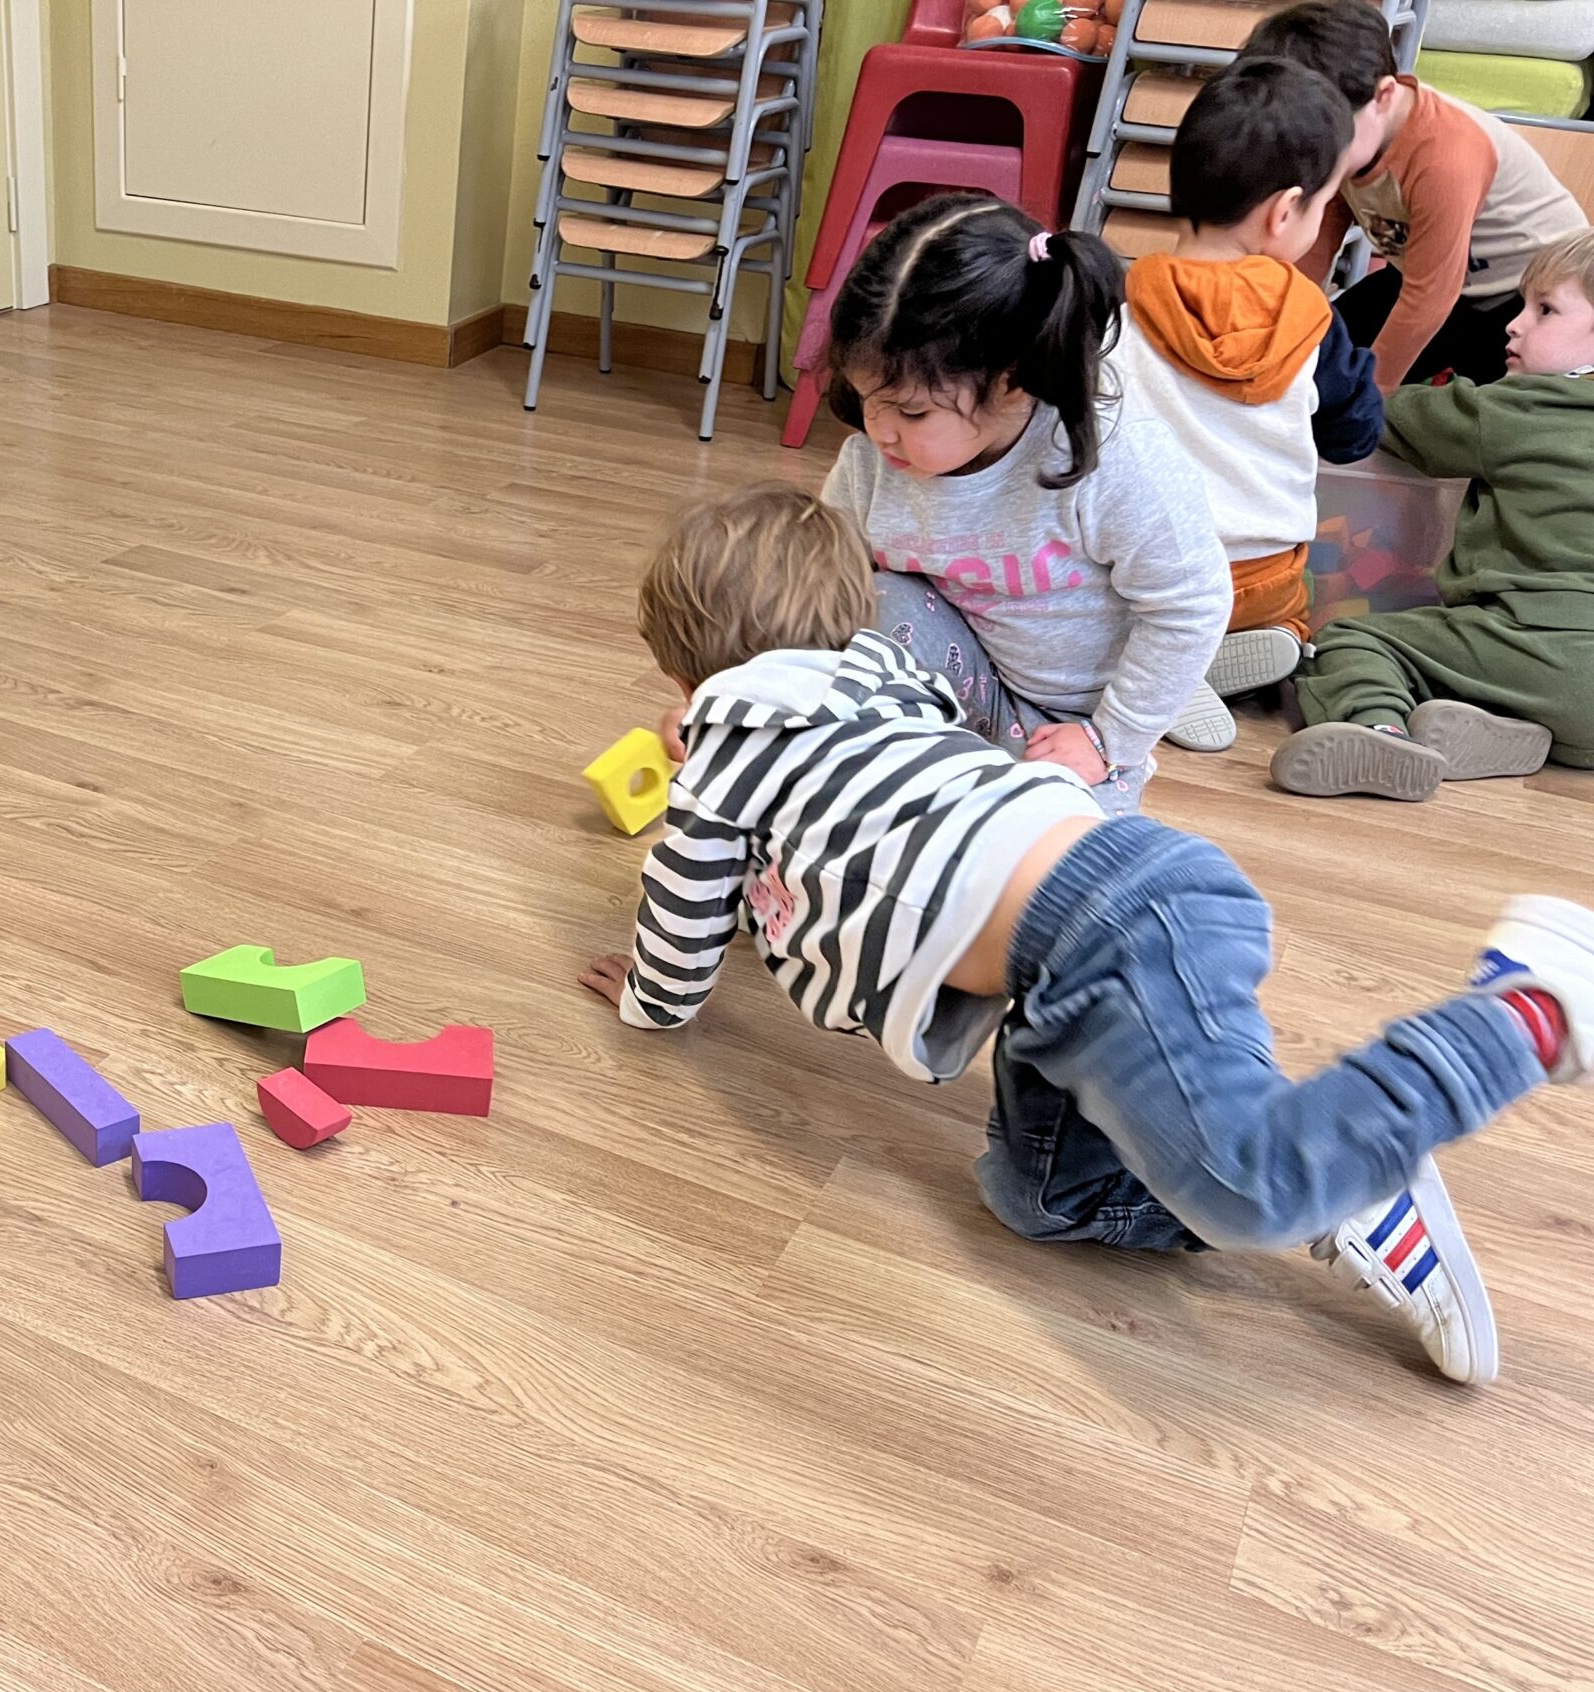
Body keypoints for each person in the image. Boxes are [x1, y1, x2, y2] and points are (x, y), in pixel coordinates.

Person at [586, 480, 1594, 1385]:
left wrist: (650, 1000)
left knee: (1245, 1188)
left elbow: (684, 903)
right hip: (1082, 940)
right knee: (1036, 1196)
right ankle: (1327, 1161)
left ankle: (1519, 1020)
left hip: (1107, 929)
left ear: (689, 672)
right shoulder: (890, 685)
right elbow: (835, 845)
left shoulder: (724, 759)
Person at [817, 193, 1232, 813]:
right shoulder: (874, 459)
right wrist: (741, 701)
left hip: (1078, 718)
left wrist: (1111, 738)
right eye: (863, 396)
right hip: (968, 682)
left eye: (911, 412)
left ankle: (1163, 694)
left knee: (1070, 855)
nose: (878, 431)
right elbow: (813, 588)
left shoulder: (1114, 458)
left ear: (1011, 381)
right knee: (867, 597)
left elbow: (1192, 605)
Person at [1114, 56, 1385, 745]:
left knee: (1096, 578)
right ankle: (1258, 644)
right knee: (1296, 607)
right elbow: (1354, 434)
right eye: (1325, 206)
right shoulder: (1314, 322)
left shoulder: (1121, 315)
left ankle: (1154, 661)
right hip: (1262, 579)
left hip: (1148, 577)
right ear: (1284, 211)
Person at [1275, 228, 1594, 798]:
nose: (1514, 324)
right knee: (1512, 679)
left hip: (1534, 646)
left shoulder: (1518, 409)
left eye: (1545, 310)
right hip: (1573, 703)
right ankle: (1516, 732)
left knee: (1352, 639)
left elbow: (1387, 416)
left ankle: (1378, 730)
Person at [1241, 0, 1586, 390]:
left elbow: (1430, 299)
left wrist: (1372, 395)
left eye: (1326, 135)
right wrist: (1282, 335)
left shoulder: (1445, 157)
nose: (1315, 152)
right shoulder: (1349, 134)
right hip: (1427, 272)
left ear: (1384, 96)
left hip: (1518, 298)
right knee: (1322, 357)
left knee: (1414, 395)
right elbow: (1319, 244)